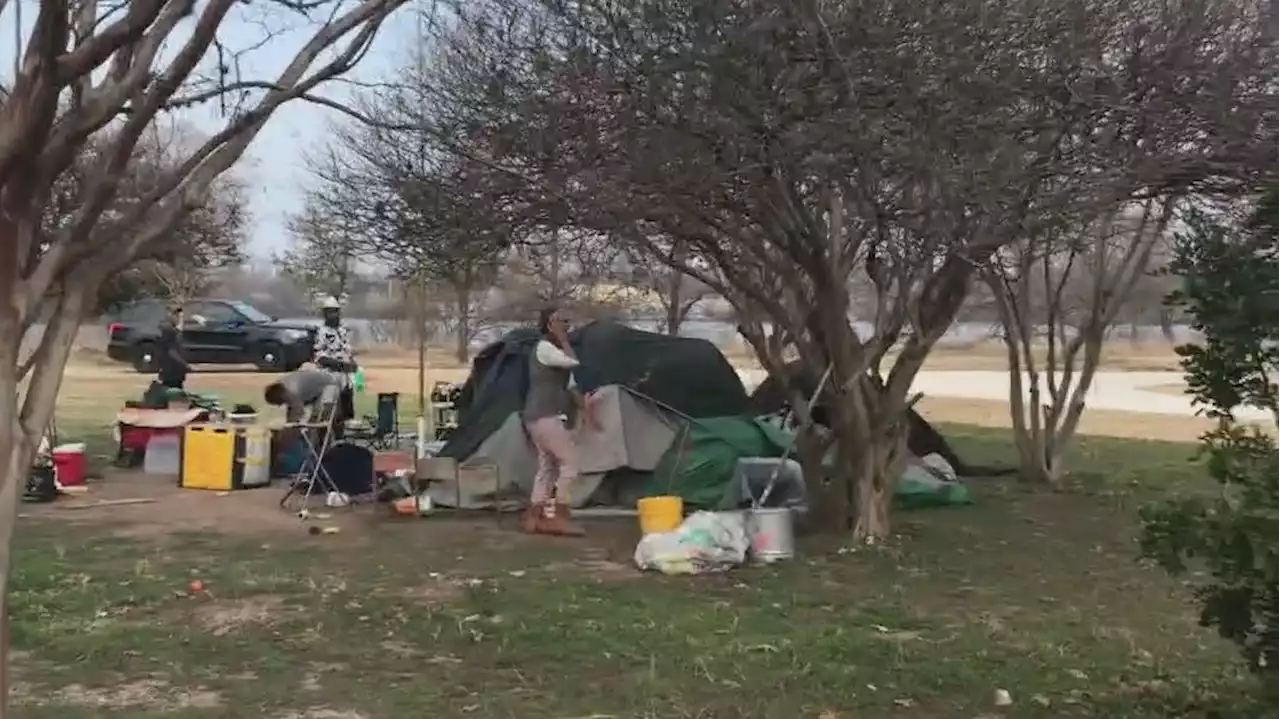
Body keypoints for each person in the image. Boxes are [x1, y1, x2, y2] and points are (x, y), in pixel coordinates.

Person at [521, 306, 595, 537]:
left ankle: (535, 517)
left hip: (539, 415)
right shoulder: (545, 347)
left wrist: (586, 411)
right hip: (544, 414)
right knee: (570, 463)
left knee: (547, 467)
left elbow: (571, 385)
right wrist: (563, 340)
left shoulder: (552, 352)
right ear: (549, 324)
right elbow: (573, 362)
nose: (566, 325)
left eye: (566, 321)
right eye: (560, 321)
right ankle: (560, 517)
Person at [312, 296, 357, 438]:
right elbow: (320, 357)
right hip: (329, 376)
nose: (334, 315)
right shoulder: (321, 332)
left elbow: (347, 351)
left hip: (344, 377)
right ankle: (323, 439)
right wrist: (339, 365)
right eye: (330, 312)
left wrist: (352, 364)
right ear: (325, 313)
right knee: (329, 411)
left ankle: (340, 436)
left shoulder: (343, 331)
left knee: (344, 412)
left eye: (336, 312)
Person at [157, 303, 191, 391]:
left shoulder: (173, 328)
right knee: (173, 394)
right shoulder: (167, 329)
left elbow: (179, 328)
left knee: (175, 394)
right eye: (176, 315)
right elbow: (171, 351)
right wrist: (184, 364)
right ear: (169, 314)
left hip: (175, 371)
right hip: (171, 370)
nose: (179, 318)